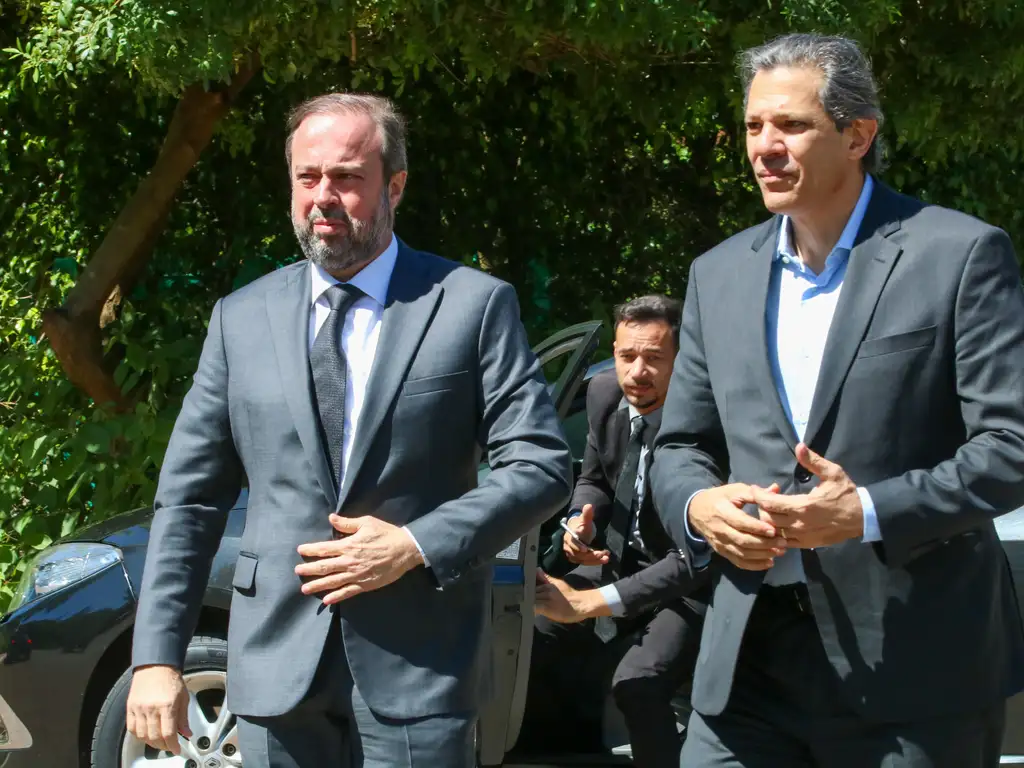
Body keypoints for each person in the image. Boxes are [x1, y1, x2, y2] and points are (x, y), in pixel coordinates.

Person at [124, 93, 572, 767]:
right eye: (307, 177)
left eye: (346, 177)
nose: (323, 197)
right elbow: (189, 499)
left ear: (395, 186)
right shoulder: (240, 320)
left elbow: (539, 465)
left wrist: (414, 544)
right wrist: (157, 658)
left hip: (418, 667)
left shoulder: (470, 306)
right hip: (275, 671)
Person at [651, 33, 1024, 768]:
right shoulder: (716, 274)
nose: (765, 147)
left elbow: (1010, 447)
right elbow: (679, 444)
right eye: (754, 125)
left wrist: (865, 513)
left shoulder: (958, 255)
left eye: (791, 125)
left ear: (858, 136)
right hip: (747, 662)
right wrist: (699, 506)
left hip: (911, 667)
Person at [522, 295, 709, 768]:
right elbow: (596, 479)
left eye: (654, 358)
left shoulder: (709, 424)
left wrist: (588, 603)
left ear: (683, 360)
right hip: (620, 562)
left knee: (637, 684)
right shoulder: (604, 393)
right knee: (528, 635)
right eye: (627, 356)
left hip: (692, 585)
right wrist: (579, 523)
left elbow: (695, 557)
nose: (637, 372)